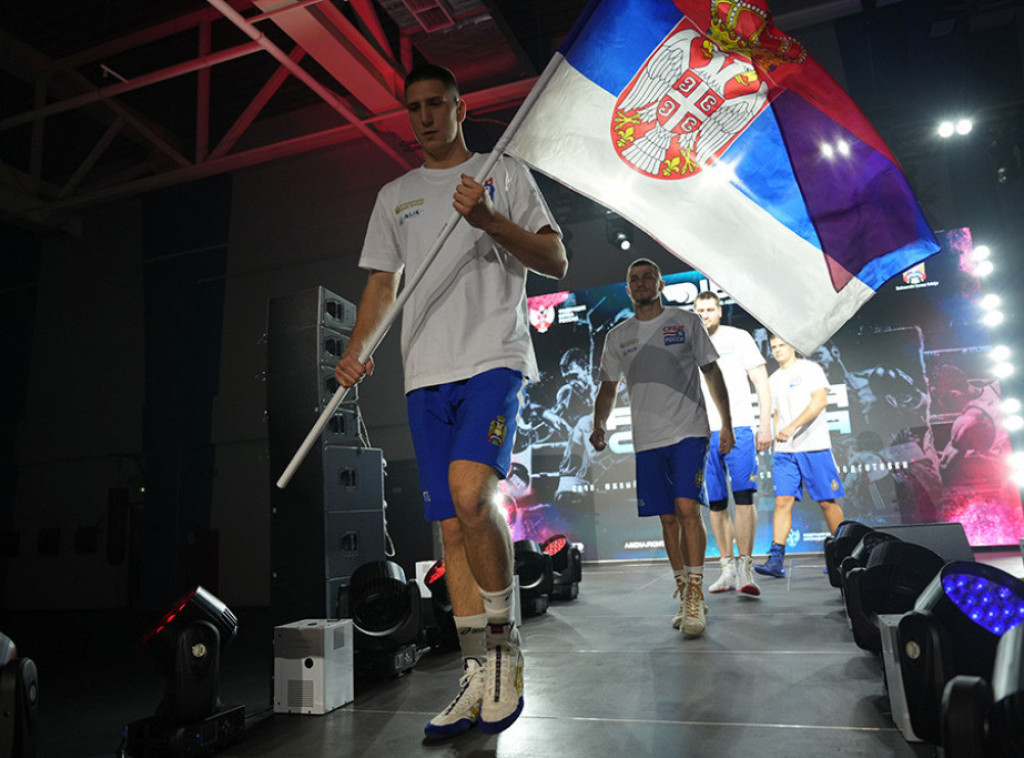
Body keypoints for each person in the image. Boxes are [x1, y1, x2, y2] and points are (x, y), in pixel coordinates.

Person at [334, 64, 567, 738]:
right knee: (449, 529)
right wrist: (358, 348)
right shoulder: (395, 194)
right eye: (415, 107)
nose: (426, 116)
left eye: (438, 103)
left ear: (460, 107)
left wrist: (490, 219)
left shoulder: (504, 172)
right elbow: (383, 283)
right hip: (423, 372)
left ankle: (504, 647)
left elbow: (555, 261)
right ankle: (475, 673)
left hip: (492, 357)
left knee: (472, 495)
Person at [590, 259, 733, 637]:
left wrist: (727, 424)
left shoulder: (686, 323)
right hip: (647, 440)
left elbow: (712, 373)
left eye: (647, 277)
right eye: (633, 279)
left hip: (689, 430)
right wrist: (599, 425)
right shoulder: (618, 336)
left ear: (661, 283)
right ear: (627, 288)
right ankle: (687, 592)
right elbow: (608, 387)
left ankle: (696, 592)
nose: (640, 283)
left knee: (687, 508)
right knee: (668, 518)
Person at [693, 292, 772, 596]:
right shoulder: (689, 344)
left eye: (710, 309)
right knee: (715, 502)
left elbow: (761, 382)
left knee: (743, 498)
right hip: (703, 432)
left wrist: (764, 424)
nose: (705, 314)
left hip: (738, 427)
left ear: (720, 311)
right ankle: (726, 568)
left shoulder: (739, 338)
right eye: (699, 310)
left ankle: (746, 568)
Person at [755, 335, 845, 578]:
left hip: (814, 446)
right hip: (785, 452)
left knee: (827, 501)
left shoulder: (810, 369)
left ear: (792, 346)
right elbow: (774, 415)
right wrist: (775, 440)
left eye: (782, 345)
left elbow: (819, 402)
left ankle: (842, 557)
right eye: (773, 347)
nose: (777, 350)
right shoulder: (773, 380)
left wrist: (792, 427)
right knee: (782, 502)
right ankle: (776, 560)